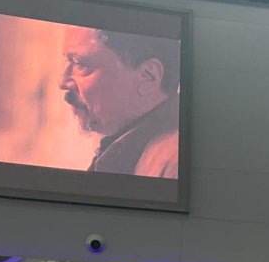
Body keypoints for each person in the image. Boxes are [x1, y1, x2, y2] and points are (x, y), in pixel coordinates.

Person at [59, 26, 180, 178]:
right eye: (67, 61)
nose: (62, 82)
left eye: (80, 64)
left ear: (147, 76)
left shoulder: (173, 164)